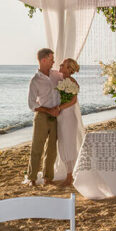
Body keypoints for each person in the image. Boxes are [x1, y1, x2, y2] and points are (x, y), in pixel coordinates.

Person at [26, 48, 61, 186]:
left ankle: (48, 177)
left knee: (52, 149)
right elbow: (31, 104)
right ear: (43, 60)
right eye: (51, 59)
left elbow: (68, 82)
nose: (53, 62)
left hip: (56, 116)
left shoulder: (56, 75)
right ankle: (32, 178)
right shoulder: (35, 80)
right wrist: (48, 110)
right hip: (42, 116)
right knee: (37, 147)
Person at [54, 58, 85, 186]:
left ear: (69, 69)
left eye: (63, 65)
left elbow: (73, 101)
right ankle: (69, 174)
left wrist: (59, 107)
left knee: (68, 145)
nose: (60, 66)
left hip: (68, 117)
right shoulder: (61, 80)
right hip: (61, 117)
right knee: (63, 145)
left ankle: (69, 177)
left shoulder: (72, 82)